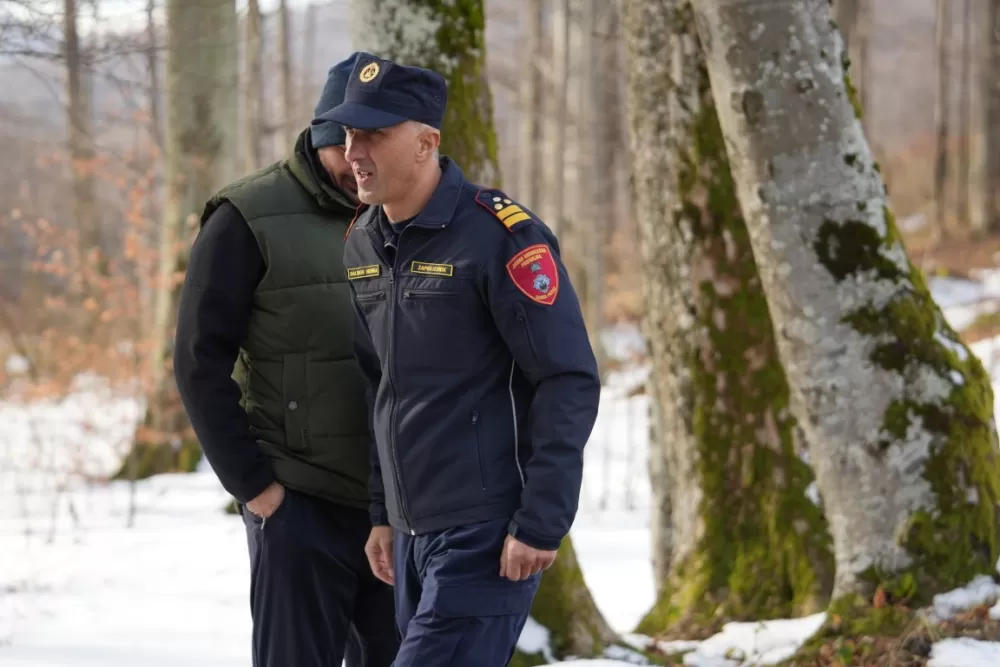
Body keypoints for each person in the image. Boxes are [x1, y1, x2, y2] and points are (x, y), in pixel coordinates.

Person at [313, 52, 601, 666]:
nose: (353, 150)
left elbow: (566, 377)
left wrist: (541, 519)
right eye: (349, 134)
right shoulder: (362, 240)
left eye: (374, 133)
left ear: (426, 144)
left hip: (485, 532)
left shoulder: (500, 236)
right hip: (410, 534)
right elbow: (379, 388)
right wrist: (381, 513)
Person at [173, 53, 400, 667]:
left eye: (378, 144)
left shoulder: (407, 210)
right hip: (299, 502)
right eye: (350, 146)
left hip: (399, 506)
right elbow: (198, 361)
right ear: (327, 137)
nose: (361, 165)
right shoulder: (246, 216)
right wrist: (257, 488)